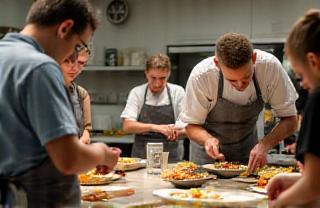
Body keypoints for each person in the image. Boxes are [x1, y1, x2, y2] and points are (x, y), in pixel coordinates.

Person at [0, 0, 121, 207]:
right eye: (77, 46)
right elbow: (69, 159)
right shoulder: (40, 66)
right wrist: (102, 153)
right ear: (64, 28)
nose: (72, 57)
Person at [180, 32, 298, 172]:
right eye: (232, 80)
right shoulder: (202, 76)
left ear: (253, 58)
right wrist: (208, 140)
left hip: (248, 154)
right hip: (207, 158)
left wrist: (264, 145)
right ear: (217, 64)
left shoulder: (269, 68)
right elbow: (191, 126)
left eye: (246, 77)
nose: (240, 85)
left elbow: (290, 120)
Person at [267, 9, 320, 208]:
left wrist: (278, 204)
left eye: (300, 76)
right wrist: (295, 181)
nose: (304, 85)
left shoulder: (318, 97)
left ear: (313, 61)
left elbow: (313, 186)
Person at [121, 53, 186, 162]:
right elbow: (127, 126)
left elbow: (188, 128)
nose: (157, 83)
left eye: (162, 78)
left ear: (169, 74)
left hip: (171, 161)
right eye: (153, 78)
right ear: (146, 73)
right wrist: (156, 128)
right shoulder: (137, 92)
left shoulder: (177, 92)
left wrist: (177, 132)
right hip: (141, 160)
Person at [61, 50, 92, 144]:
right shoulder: (43, 90)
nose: (74, 68)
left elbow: (87, 129)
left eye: (81, 63)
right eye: (67, 61)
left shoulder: (81, 93)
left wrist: (84, 138)